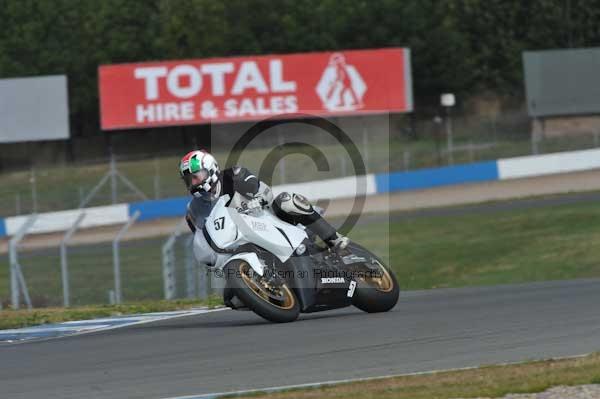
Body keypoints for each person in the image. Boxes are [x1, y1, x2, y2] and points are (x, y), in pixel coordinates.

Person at [179, 150, 349, 261]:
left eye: (196, 176)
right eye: (189, 179)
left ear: (211, 169)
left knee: (285, 200)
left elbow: (265, 191)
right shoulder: (193, 210)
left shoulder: (233, 176)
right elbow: (203, 239)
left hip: (268, 219)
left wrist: (257, 199)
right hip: (239, 244)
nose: (193, 182)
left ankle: (333, 239)